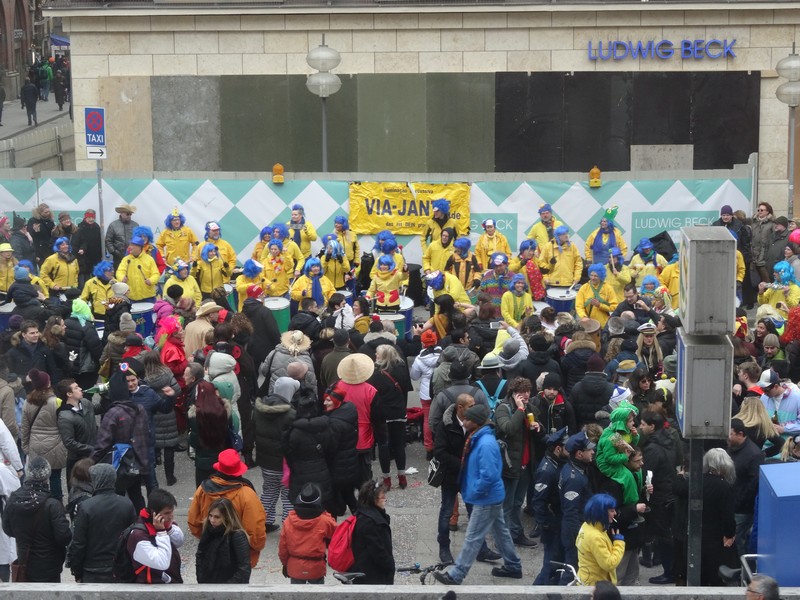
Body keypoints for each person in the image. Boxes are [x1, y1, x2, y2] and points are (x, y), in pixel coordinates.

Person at [432, 404, 522, 585]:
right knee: (500, 533)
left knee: (473, 537)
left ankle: (456, 575)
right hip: (491, 496)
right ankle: (513, 566)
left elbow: (489, 476)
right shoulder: (481, 438)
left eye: (467, 419)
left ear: (476, 422)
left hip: (485, 498)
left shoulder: (485, 443)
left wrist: (475, 490)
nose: (463, 422)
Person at [2, 456, 71, 582]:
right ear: (47, 476)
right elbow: (64, 536)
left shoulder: (13, 500)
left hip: (25, 560)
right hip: (50, 564)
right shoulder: (52, 505)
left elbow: (7, 529)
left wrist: (22, 535)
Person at [92, 367, 150, 512]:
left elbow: (102, 443)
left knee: (117, 498)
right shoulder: (139, 409)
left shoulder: (113, 413)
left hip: (118, 464)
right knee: (137, 496)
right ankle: (142, 524)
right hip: (136, 462)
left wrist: (90, 462)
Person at [68, 463, 137, 583]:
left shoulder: (86, 507)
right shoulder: (127, 504)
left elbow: (78, 543)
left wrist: (77, 571)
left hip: (92, 569)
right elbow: (133, 538)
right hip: (120, 569)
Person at [494, 376, 541, 548]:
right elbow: (508, 428)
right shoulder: (503, 408)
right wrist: (520, 411)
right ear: (513, 394)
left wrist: (537, 426)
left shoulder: (529, 408)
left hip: (525, 463)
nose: (527, 395)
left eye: (528, 391)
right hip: (510, 464)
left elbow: (537, 420)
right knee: (507, 505)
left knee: (518, 503)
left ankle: (515, 533)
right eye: (522, 392)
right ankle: (503, 540)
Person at [253, 378, 296, 531]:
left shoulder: (259, 408)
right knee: (287, 495)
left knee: (269, 491)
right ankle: (288, 526)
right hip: (283, 463)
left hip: (265, 460)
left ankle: (263, 522)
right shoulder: (290, 414)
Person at [369, 344, 412, 490]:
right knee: (399, 445)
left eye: (378, 354)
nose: (375, 355)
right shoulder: (401, 369)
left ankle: (386, 479)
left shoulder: (376, 374)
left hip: (383, 414)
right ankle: (402, 476)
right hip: (399, 411)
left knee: (383, 446)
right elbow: (406, 387)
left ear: (383, 357)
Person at [21, 368, 67, 502]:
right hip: (55, 444)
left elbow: (25, 427)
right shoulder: (56, 402)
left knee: (38, 477)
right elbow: (63, 424)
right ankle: (57, 502)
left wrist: (25, 447)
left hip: (35, 445)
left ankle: (40, 501)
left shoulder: (27, 402)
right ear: (48, 384)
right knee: (55, 477)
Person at [531, 427, 569, 585]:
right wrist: (546, 523)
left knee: (556, 560)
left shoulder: (558, 462)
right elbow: (538, 501)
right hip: (552, 523)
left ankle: (537, 590)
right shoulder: (547, 470)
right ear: (558, 449)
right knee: (551, 562)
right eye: (567, 447)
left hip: (558, 520)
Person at [278, 483, 336, 584]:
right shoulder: (324, 521)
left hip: (295, 567)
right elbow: (337, 536)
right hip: (316, 567)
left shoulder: (288, 521)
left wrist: (285, 564)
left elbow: (283, 548)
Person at [127, 488, 184, 584]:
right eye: (167, 513)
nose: (171, 516)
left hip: (171, 581)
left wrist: (168, 529)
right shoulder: (138, 536)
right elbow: (162, 563)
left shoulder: (162, 523)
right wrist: (162, 533)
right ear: (154, 513)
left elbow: (179, 541)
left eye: (171, 512)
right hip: (153, 588)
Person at [559, 431, 596, 581]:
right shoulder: (574, 478)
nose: (593, 451)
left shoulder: (576, 469)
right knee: (572, 570)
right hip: (575, 529)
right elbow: (571, 511)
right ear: (579, 454)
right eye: (589, 450)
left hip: (576, 526)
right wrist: (578, 536)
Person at [727, 417, 764, 557]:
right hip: (732, 504)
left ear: (740, 434)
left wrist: (738, 503)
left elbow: (753, 485)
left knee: (736, 540)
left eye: (730, 434)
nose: (727, 437)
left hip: (742, 509)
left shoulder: (754, 455)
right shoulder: (733, 449)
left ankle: (741, 571)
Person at [195, 497, 252, 584]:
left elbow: (244, 569)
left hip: (230, 588)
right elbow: (200, 555)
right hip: (208, 584)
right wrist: (201, 578)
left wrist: (226, 588)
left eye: (217, 517)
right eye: (210, 516)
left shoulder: (237, 536)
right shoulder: (208, 530)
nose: (212, 520)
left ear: (227, 517)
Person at [351, 479, 396, 584]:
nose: (385, 499)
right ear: (373, 499)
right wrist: (390, 566)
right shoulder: (370, 522)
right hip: (372, 575)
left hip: (370, 571)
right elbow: (378, 551)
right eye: (382, 497)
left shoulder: (365, 514)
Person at [575, 493, 625, 585]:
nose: (615, 513)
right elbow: (609, 564)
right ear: (601, 512)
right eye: (611, 511)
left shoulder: (586, 525)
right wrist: (619, 543)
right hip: (596, 586)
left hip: (585, 579)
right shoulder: (596, 537)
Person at [55, 378, 96, 482]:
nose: (80, 389)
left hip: (94, 457)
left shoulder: (85, 403)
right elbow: (69, 442)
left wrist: (105, 395)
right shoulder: (65, 416)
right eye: (76, 388)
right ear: (69, 394)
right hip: (77, 460)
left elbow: (100, 408)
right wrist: (90, 448)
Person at [576, 264, 618, 328]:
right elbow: (579, 306)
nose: (593, 278)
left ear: (601, 276)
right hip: (588, 324)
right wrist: (583, 316)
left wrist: (600, 305)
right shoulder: (584, 288)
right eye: (591, 275)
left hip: (603, 324)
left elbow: (614, 307)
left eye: (596, 276)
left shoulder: (608, 288)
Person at [105, 204, 139, 272]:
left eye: (130, 214)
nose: (129, 216)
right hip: (118, 258)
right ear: (121, 213)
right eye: (127, 214)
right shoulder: (113, 225)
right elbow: (108, 241)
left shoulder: (135, 225)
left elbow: (139, 241)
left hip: (133, 257)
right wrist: (114, 252)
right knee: (119, 277)